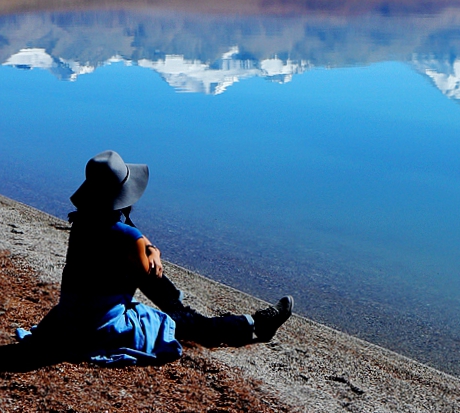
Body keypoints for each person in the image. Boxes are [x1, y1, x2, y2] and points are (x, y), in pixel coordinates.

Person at [16, 150, 293, 365]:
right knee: (192, 325)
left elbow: (128, 237)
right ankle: (256, 324)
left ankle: (182, 308)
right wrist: (154, 251)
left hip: (69, 319)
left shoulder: (83, 224)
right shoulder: (126, 236)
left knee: (150, 280)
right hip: (100, 327)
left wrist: (143, 245)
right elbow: (149, 273)